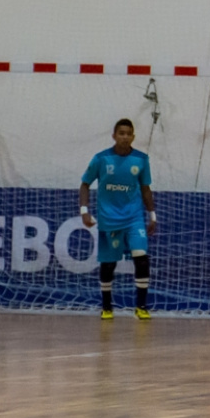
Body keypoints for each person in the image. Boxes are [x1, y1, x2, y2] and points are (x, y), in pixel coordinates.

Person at [80, 119, 156, 320]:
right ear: (114, 136)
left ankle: (141, 307)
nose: (124, 137)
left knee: (141, 258)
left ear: (133, 137)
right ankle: (106, 307)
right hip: (109, 219)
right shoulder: (101, 159)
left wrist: (152, 215)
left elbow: (146, 189)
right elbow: (85, 184)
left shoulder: (141, 159)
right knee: (108, 264)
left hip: (134, 218)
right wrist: (84, 211)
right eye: (121, 133)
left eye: (128, 133)